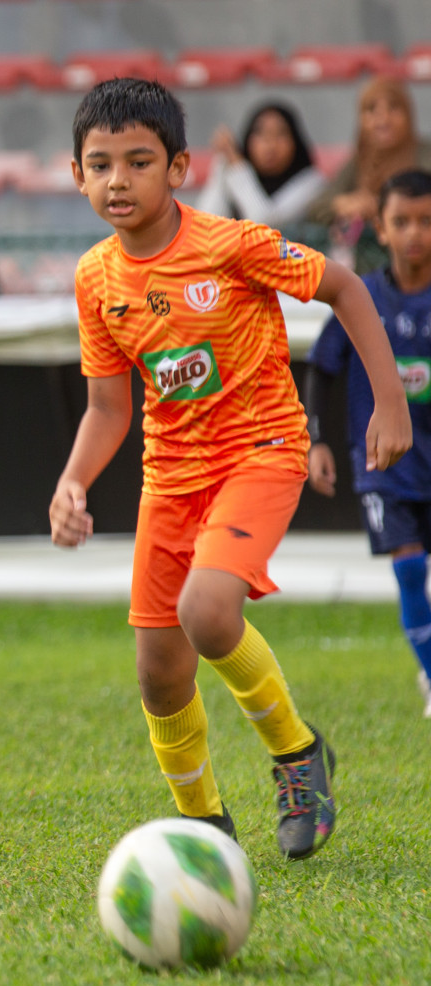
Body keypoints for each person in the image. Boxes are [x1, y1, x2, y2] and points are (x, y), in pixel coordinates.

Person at [49, 78, 411, 861]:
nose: (119, 180)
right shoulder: (95, 279)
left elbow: (344, 288)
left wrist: (389, 401)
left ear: (178, 167)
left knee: (208, 612)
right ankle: (204, 827)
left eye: (139, 162)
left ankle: (297, 755)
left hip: (259, 454)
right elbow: (109, 408)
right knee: (158, 675)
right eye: (101, 164)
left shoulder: (231, 244)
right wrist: (72, 481)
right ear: (75, 174)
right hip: (168, 479)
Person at [307, 170, 431, 715]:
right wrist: (316, 440)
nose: (414, 234)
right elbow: (322, 366)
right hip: (384, 464)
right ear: (379, 228)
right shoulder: (363, 298)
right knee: (409, 568)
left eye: (426, 221)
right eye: (401, 221)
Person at [308, 77, 431, 229]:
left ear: (408, 113)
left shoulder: (425, 155)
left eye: (393, 107)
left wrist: (384, 206)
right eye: (372, 109)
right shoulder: (360, 160)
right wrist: (345, 204)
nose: (383, 119)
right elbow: (317, 206)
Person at [195, 101, 325, 227]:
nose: (270, 144)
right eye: (261, 134)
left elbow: (265, 224)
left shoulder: (312, 183)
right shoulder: (235, 170)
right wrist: (222, 164)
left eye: (280, 134)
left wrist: (237, 167)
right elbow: (206, 223)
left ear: (295, 142)